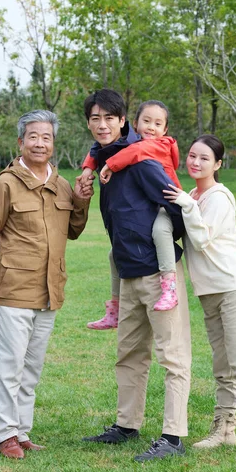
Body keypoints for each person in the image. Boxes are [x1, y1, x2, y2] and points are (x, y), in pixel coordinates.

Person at [0, 110, 92, 460]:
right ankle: (4, 433)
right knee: (9, 367)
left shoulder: (61, 183)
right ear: (20, 142)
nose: (40, 143)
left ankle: (21, 430)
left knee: (31, 368)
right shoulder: (5, 184)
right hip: (11, 290)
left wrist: (82, 199)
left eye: (47, 137)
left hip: (49, 290)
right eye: (33, 137)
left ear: (53, 144)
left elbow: (73, 229)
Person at [81, 89, 191, 462]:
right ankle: (127, 425)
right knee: (129, 354)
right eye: (95, 118)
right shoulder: (104, 159)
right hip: (128, 274)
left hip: (160, 276)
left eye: (109, 118)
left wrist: (161, 243)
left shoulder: (142, 159)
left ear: (123, 121)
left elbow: (175, 204)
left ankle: (173, 437)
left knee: (172, 357)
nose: (102, 124)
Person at [164, 134, 236, 456]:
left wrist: (185, 204)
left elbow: (200, 240)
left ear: (218, 164)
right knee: (222, 365)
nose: (195, 162)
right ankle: (225, 428)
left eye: (204, 158)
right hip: (208, 292)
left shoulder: (218, 197)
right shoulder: (194, 194)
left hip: (232, 289)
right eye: (192, 156)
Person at [80, 100, 181, 330]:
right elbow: (97, 149)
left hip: (170, 203)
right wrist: (89, 167)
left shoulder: (156, 146)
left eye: (158, 124)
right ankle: (114, 308)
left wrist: (109, 165)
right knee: (113, 254)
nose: (151, 128)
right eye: (146, 121)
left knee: (161, 231)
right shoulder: (126, 148)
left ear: (165, 129)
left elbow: (134, 152)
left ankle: (169, 285)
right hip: (134, 250)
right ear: (135, 124)